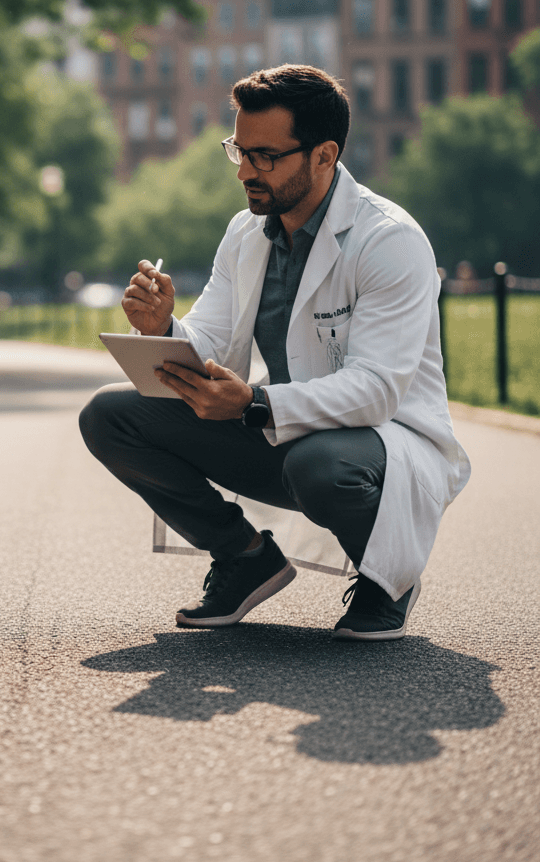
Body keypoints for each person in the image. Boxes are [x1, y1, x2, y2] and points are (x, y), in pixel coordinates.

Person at [79, 65, 470, 641]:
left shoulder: (390, 241)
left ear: (323, 155)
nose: (244, 171)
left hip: (378, 446)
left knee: (319, 468)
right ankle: (243, 556)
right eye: (238, 150)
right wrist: (162, 325)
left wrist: (255, 404)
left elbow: (378, 390)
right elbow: (209, 346)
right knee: (110, 416)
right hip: (278, 434)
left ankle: (389, 581)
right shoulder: (245, 233)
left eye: (264, 156)